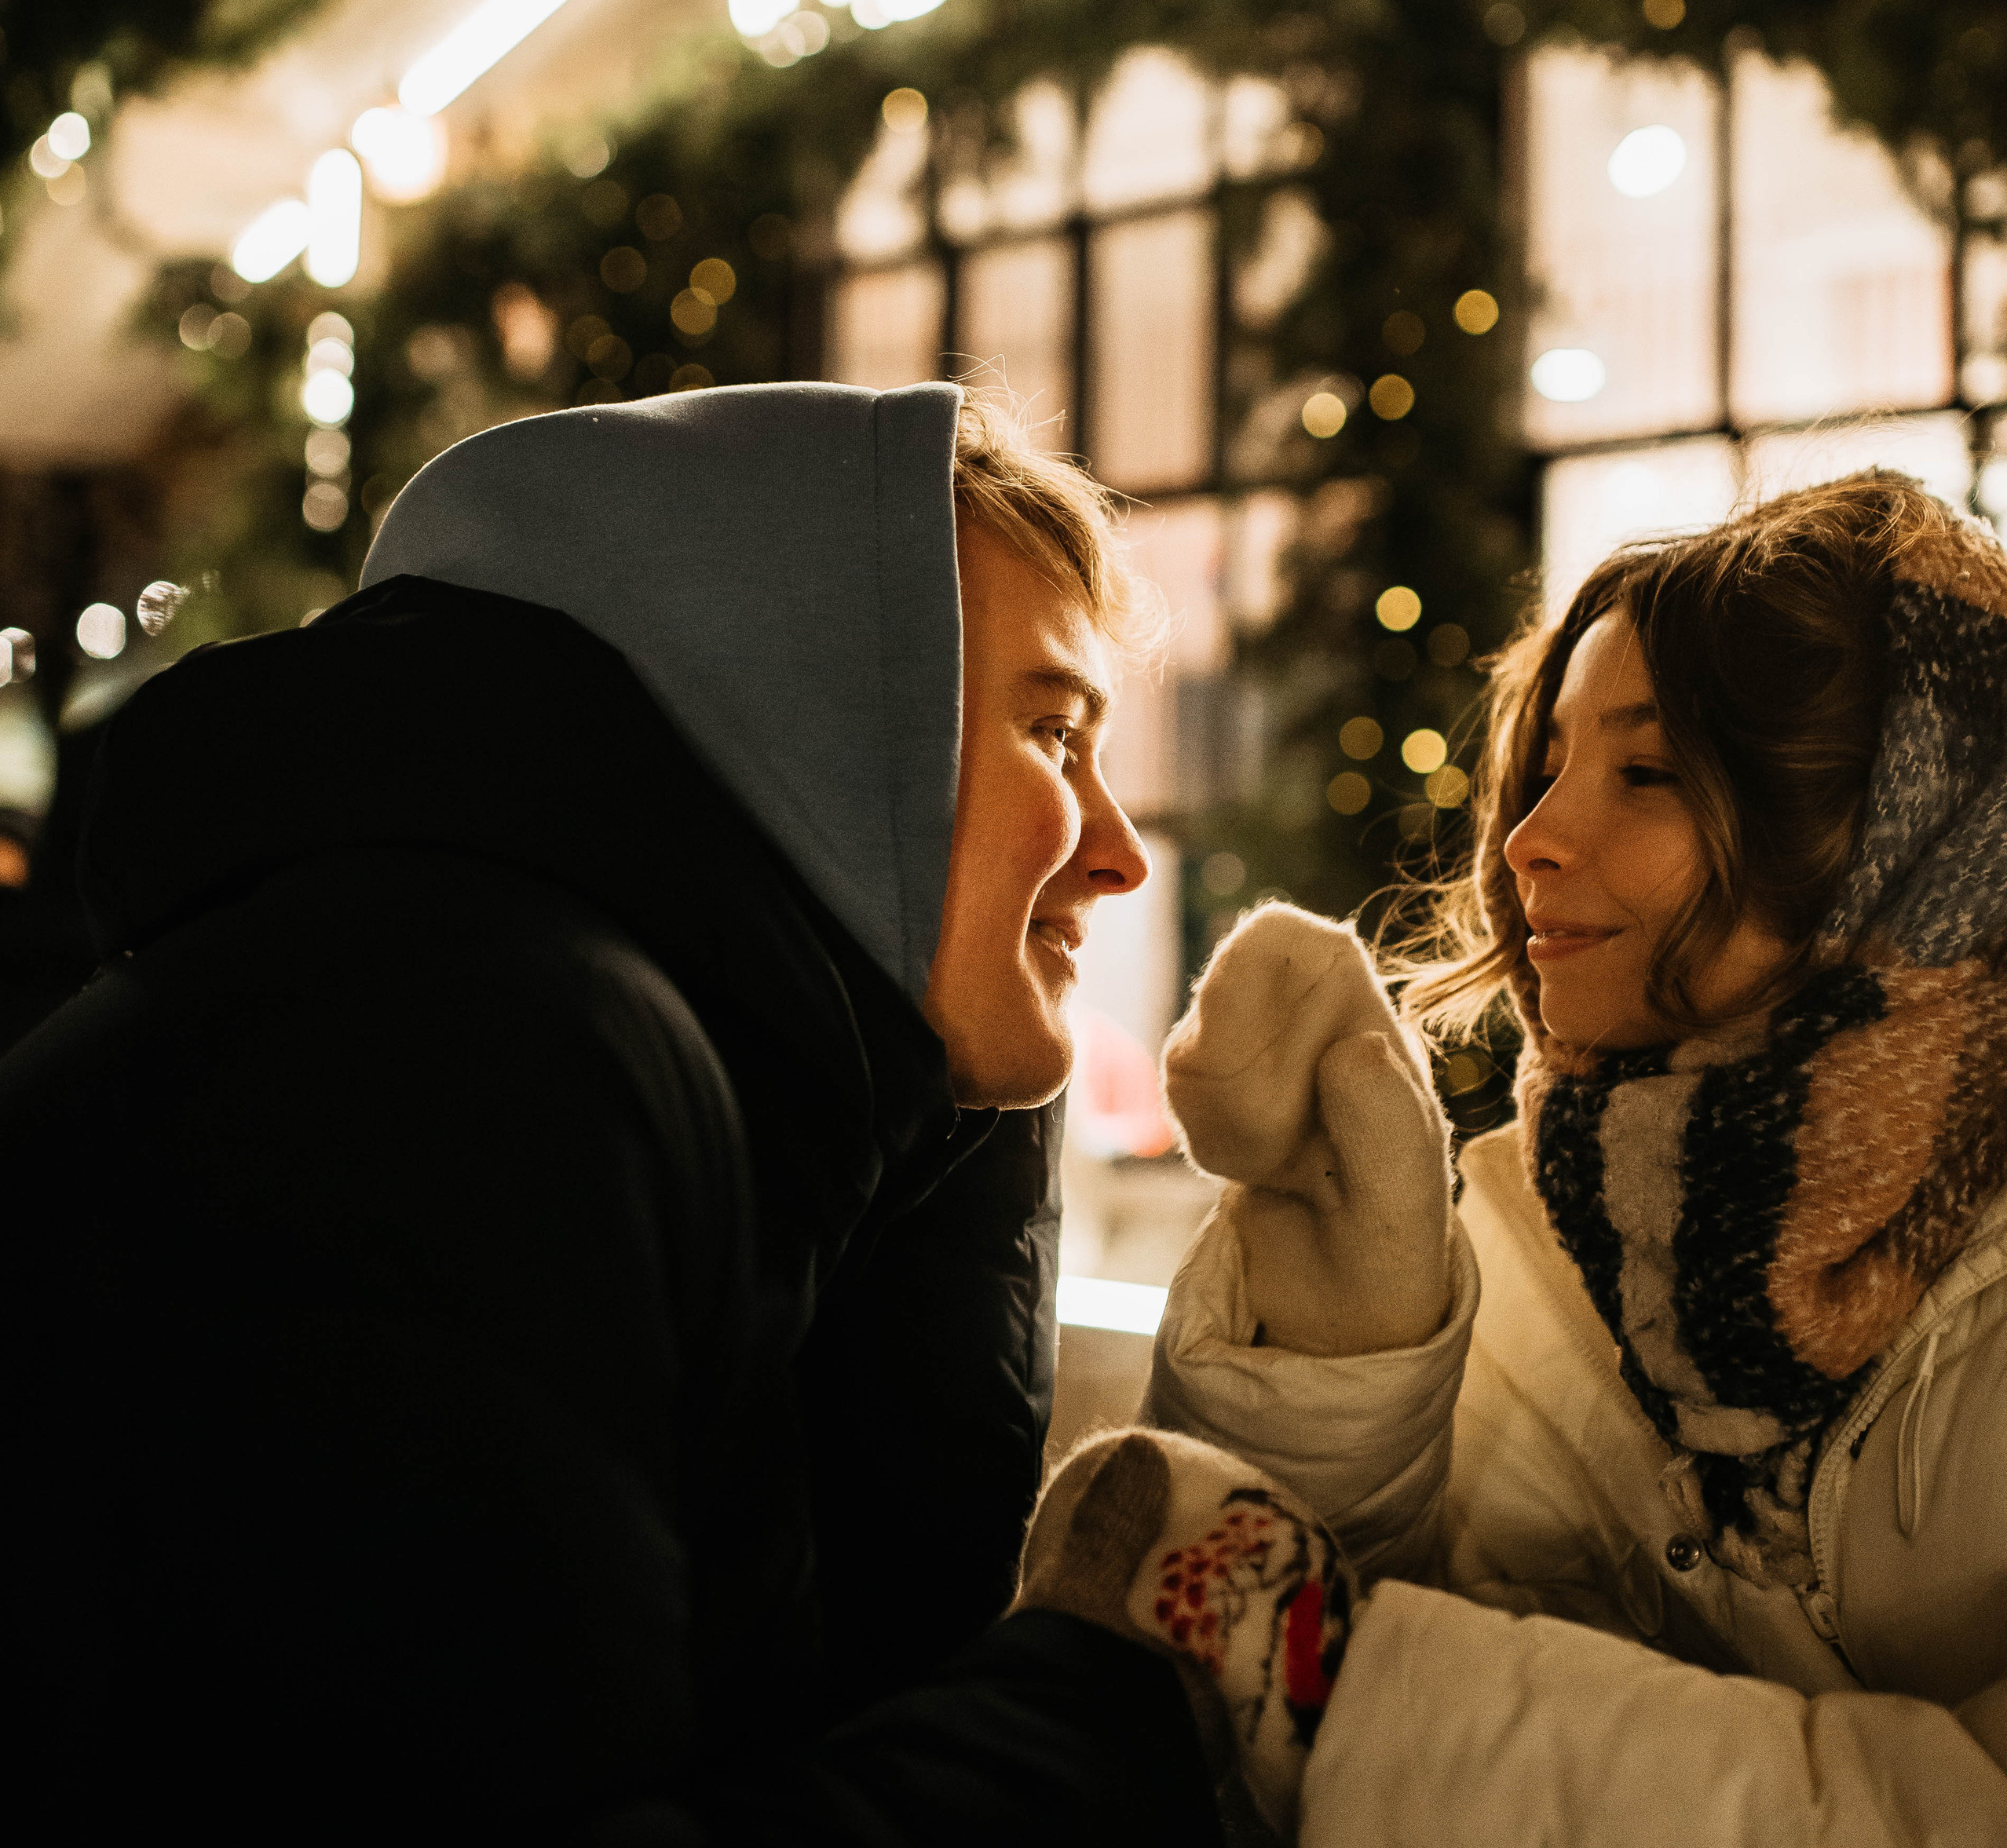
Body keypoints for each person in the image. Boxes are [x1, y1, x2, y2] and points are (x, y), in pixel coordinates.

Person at [9, 381, 1240, 1846]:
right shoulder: (454, 1066)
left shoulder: (588, 1040)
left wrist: (949, 1133)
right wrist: (1125, 1699)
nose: (1117, 852)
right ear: (823, 729)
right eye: (1054, 734)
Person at [1020, 473, 2007, 1843]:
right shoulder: (1548, 1227)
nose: (1534, 838)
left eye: (1647, 774)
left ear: (1886, 833)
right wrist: (1334, 1331)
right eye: (1546, 766)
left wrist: (1346, 1698)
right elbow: (1250, 1703)